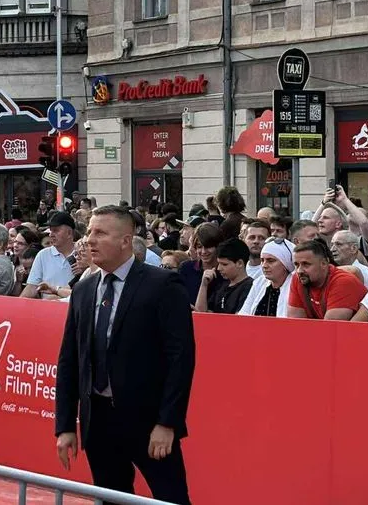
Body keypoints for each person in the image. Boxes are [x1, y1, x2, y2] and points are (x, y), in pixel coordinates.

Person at [54, 206, 195, 504]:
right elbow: (70, 360)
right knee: (111, 498)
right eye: (89, 232)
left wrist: (167, 423)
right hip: (99, 421)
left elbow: (180, 359)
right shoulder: (84, 289)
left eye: (100, 233)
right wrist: (66, 425)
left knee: (170, 498)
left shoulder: (162, 285)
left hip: (149, 423)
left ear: (125, 241)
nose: (89, 240)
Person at [285, 239, 367, 320]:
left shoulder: (343, 282)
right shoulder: (299, 278)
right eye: (296, 265)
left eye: (306, 264)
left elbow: (331, 329)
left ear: (324, 263)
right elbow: (296, 324)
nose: (299, 270)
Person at [194, 238, 253, 314]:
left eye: (224, 264)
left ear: (239, 263)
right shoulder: (222, 285)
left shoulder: (250, 287)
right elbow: (200, 313)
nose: (219, 268)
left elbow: (239, 319)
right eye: (219, 263)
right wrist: (204, 285)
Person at [238, 238, 294, 317]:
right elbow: (244, 314)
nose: (264, 265)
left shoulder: (294, 285)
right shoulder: (259, 282)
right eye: (262, 260)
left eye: (270, 261)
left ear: (285, 264)